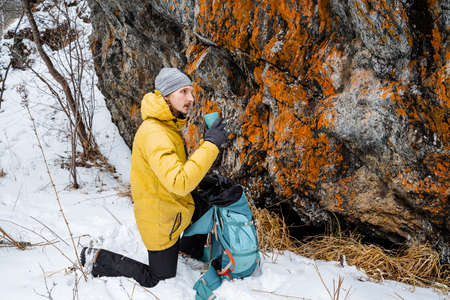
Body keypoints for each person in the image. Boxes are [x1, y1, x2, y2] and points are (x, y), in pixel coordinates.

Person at [80, 67, 228, 287]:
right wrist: (211, 145)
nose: (191, 98)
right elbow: (179, 182)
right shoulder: (155, 133)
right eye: (184, 92)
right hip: (159, 219)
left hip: (173, 206)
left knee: (208, 196)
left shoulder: (165, 125)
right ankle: (96, 258)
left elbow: (173, 171)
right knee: (158, 277)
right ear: (166, 96)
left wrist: (206, 170)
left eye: (191, 92)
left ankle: (188, 248)